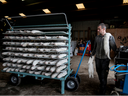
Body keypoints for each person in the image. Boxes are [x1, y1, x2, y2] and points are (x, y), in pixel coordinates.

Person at [91, 23, 117, 96]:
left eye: (99, 29)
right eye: (97, 29)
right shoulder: (97, 38)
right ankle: (102, 85)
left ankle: (102, 92)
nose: (97, 30)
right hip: (97, 59)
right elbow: (94, 48)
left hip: (105, 59)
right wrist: (92, 55)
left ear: (103, 29)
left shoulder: (110, 37)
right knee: (99, 74)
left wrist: (111, 40)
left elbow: (114, 48)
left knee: (103, 76)